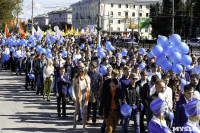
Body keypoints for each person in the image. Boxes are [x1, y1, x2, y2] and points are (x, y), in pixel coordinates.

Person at [72, 63, 90, 130]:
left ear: (85, 71)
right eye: (80, 71)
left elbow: (89, 87)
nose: (81, 72)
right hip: (77, 96)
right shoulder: (76, 78)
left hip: (85, 96)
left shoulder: (87, 78)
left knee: (84, 112)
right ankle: (75, 124)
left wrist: (87, 89)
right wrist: (73, 96)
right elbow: (73, 88)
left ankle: (84, 126)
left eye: (82, 71)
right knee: (76, 111)